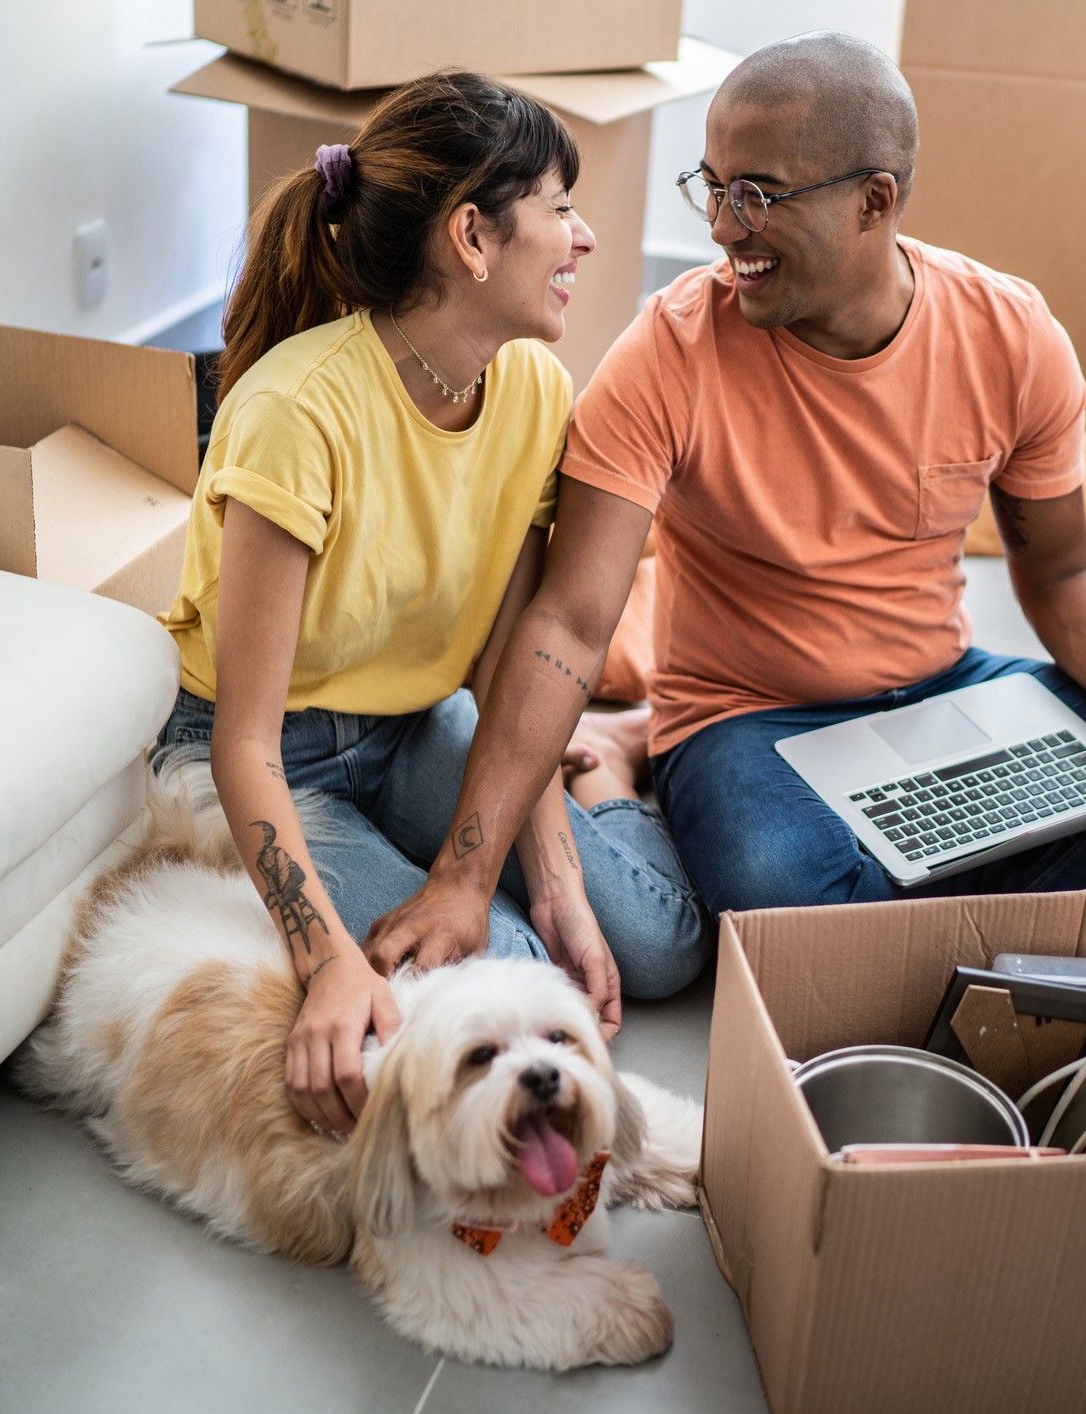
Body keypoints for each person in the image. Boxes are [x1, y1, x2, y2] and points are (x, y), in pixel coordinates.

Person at [364, 33, 1086, 973]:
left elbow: (1067, 577)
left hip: (944, 694)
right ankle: (990, 934)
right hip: (741, 722)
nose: (720, 226)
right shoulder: (668, 352)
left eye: (755, 194)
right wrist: (464, 878)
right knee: (777, 891)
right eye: (710, 187)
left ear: (873, 200)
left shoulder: (1012, 335)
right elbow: (571, 624)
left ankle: (918, 938)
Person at [154, 72, 705, 1136]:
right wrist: (322, 963)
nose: (583, 237)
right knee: (518, 983)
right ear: (471, 237)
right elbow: (244, 742)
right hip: (272, 759)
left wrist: (543, 873)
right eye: (558, 206)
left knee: (655, 942)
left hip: (413, 723)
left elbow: (509, 666)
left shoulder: (533, 386)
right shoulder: (294, 411)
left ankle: (614, 766)